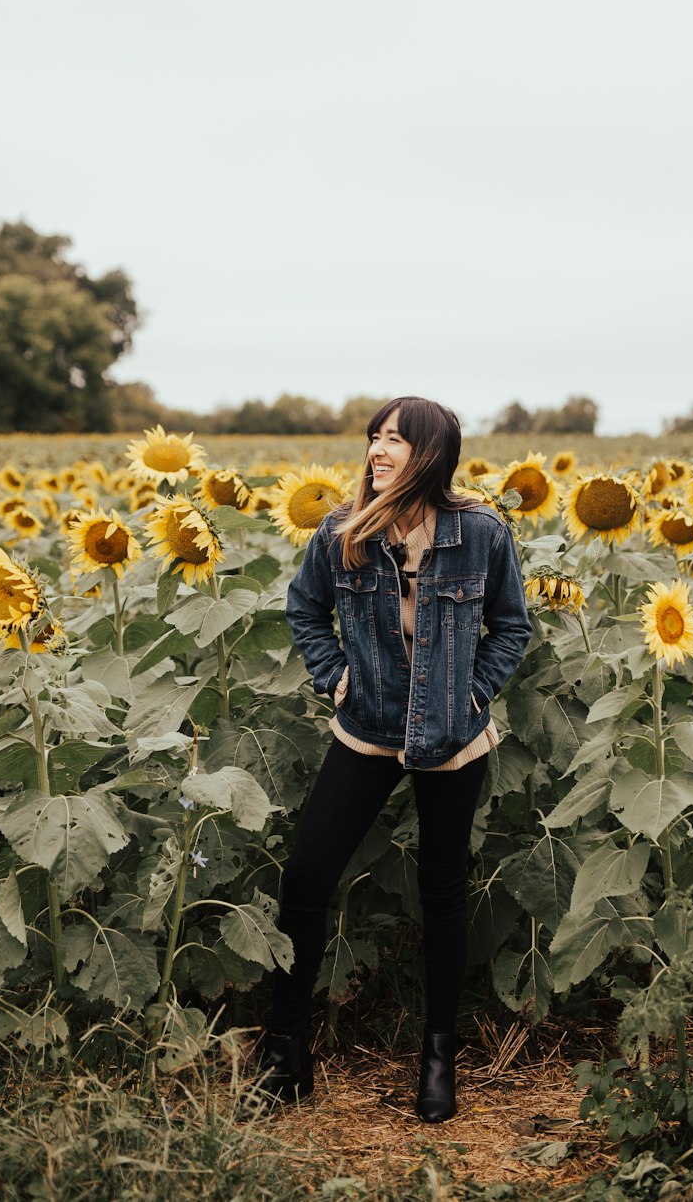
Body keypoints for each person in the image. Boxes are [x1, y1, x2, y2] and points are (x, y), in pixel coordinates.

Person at [256, 396, 532, 1122]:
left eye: (396, 441)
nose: (378, 451)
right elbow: (303, 610)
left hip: (452, 738)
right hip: (367, 727)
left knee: (442, 891)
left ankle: (437, 1058)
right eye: (376, 438)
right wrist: (336, 675)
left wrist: (472, 695)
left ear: (431, 456)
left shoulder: (480, 534)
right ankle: (286, 1050)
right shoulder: (341, 533)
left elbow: (512, 625)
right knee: (308, 875)